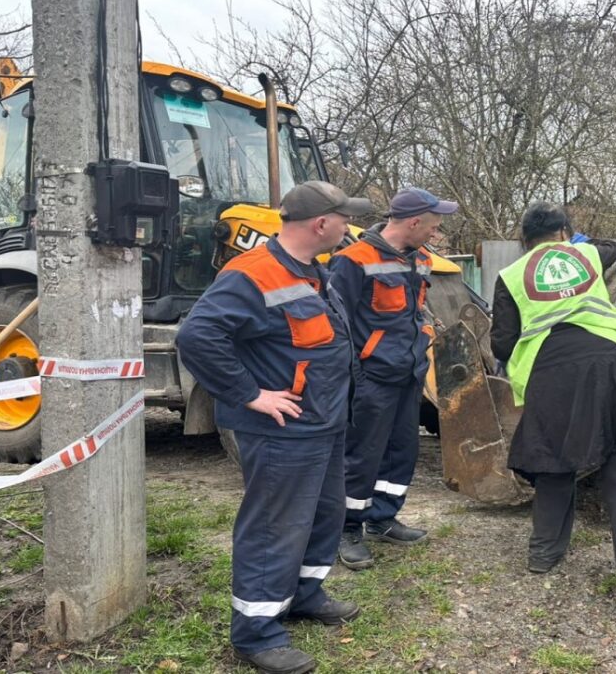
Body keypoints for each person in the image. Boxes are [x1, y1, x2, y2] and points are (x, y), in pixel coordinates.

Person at [175, 181, 372, 674]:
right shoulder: (251, 273)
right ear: (321, 224)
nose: (349, 226)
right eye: (344, 218)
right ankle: (256, 632)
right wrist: (250, 394)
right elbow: (197, 336)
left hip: (323, 423)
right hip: (283, 430)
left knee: (323, 515)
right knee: (274, 527)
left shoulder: (313, 272)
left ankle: (304, 594)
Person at [490, 202, 616, 605]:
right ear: (563, 232)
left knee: (554, 459)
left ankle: (543, 555)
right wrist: (574, 242)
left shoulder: (510, 276)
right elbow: (611, 247)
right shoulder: (589, 253)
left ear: (523, 241)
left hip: (551, 370)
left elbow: (502, 343)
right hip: (610, 364)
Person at [330, 187, 458, 569]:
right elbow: (339, 324)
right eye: (433, 226)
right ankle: (347, 528)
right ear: (414, 222)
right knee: (362, 455)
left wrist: (422, 340)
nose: (436, 234)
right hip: (371, 376)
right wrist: (355, 373)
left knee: (401, 450)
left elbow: (414, 309)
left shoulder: (420, 259)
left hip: (408, 372)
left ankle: (383, 517)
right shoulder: (353, 261)